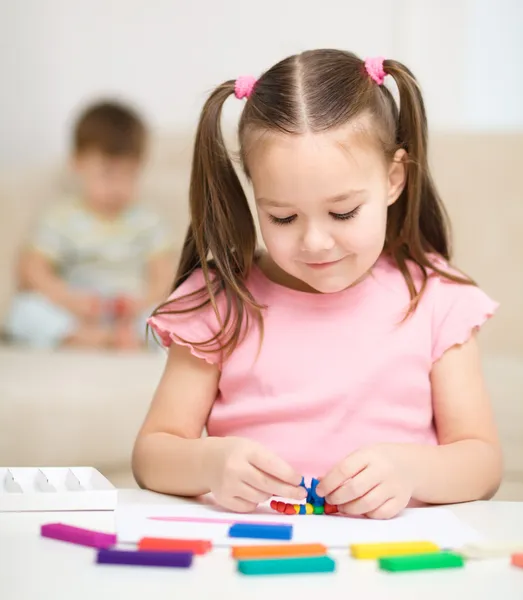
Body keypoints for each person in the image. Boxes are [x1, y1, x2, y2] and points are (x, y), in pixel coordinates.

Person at [132, 50, 502, 518]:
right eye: (282, 217)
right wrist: (209, 463)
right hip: (255, 557)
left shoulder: (436, 299)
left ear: (393, 178)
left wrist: (412, 470)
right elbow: (151, 455)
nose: (315, 241)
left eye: (343, 212)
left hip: (395, 567)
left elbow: (483, 463)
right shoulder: (222, 300)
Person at [4, 100, 174, 350]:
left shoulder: (147, 220)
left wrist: (141, 302)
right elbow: (32, 269)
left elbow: (164, 275)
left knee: (177, 316)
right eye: (107, 173)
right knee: (23, 312)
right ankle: (87, 337)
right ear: (77, 164)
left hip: (131, 309)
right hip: (77, 309)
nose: (118, 187)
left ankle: (132, 338)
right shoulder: (61, 217)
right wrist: (68, 300)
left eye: (129, 174)